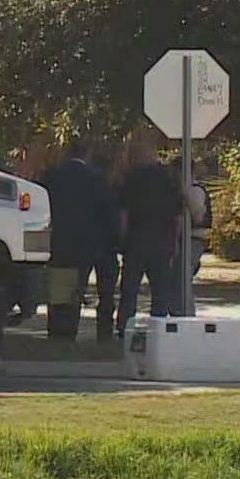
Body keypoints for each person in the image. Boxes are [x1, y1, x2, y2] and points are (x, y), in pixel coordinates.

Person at [41, 140, 119, 340]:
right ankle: (72, 332)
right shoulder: (97, 179)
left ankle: (57, 333)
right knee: (78, 288)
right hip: (88, 243)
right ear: (87, 154)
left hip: (59, 240)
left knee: (60, 291)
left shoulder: (52, 176)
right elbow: (109, 213)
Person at [114, 131, 184, 333]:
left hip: (137, 241)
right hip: (162, 241)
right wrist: (175, 241)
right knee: (160, 290)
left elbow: (124, 214)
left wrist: (122, 239)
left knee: (129, 289)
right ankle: (158, 329)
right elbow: (177, 214)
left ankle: (124, 328)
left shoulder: (131, 178)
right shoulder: (170, 177)